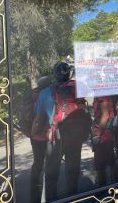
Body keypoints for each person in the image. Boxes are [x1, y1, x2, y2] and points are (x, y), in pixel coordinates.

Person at [35, 62, 87, 201]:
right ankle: (73, 198)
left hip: (54, 137)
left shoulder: (45, 93)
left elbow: (39, 119)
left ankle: (53, 199)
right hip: (74, 135)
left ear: (54, 75)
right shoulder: (77, 89)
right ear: (69, 74)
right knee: (73, 170)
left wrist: (34, 133)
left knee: (51, 173)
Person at [29, 76, 51, 203]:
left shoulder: (35, 94)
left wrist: (32, 134)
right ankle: (40, 194)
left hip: (36, 136)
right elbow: (39, 117)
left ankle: (35, 193)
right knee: (45, 164)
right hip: (42, 134)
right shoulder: (46, 94)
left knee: (38, 163)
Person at [92, 96, 118, 186]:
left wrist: (97, 135)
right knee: (106, 161)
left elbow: (105, 115)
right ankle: (113, 186)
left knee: (103, 162)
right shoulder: (99, 94)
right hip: (103, 133)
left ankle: (106, 188)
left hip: (104, 135)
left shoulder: (102, 95)